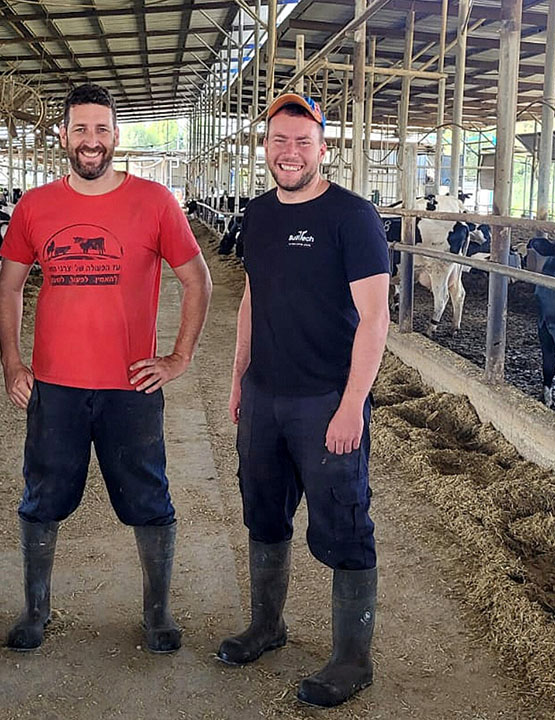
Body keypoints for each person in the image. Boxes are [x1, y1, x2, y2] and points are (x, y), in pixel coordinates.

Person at [0, 83, 212, 654]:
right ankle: (35, 611)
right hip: (56, 388)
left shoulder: (156, 201)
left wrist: (179, 356)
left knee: (148, 496)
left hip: (130, 387)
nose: (92, 141)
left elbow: (197, 279)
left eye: (102, 129)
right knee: (42, 497)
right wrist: (13, 360)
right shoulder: (35, 206)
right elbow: (9, 286)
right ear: (63, 136)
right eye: (81, 130)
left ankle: (157, 614)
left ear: (117, 136)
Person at [217, 93, 390, 708]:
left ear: (324, 147)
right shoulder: (257, 215)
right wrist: (238, 377)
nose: (289, 152)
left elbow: (374, 319)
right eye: (278, 140)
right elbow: (251, 299)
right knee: (262, 513)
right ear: (265, 146)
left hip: (325, 400)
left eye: (302, 141)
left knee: (343, 522)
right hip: (264, 395)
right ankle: (268, 625)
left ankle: (352, 658)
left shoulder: (353, 217)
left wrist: (352, 405)